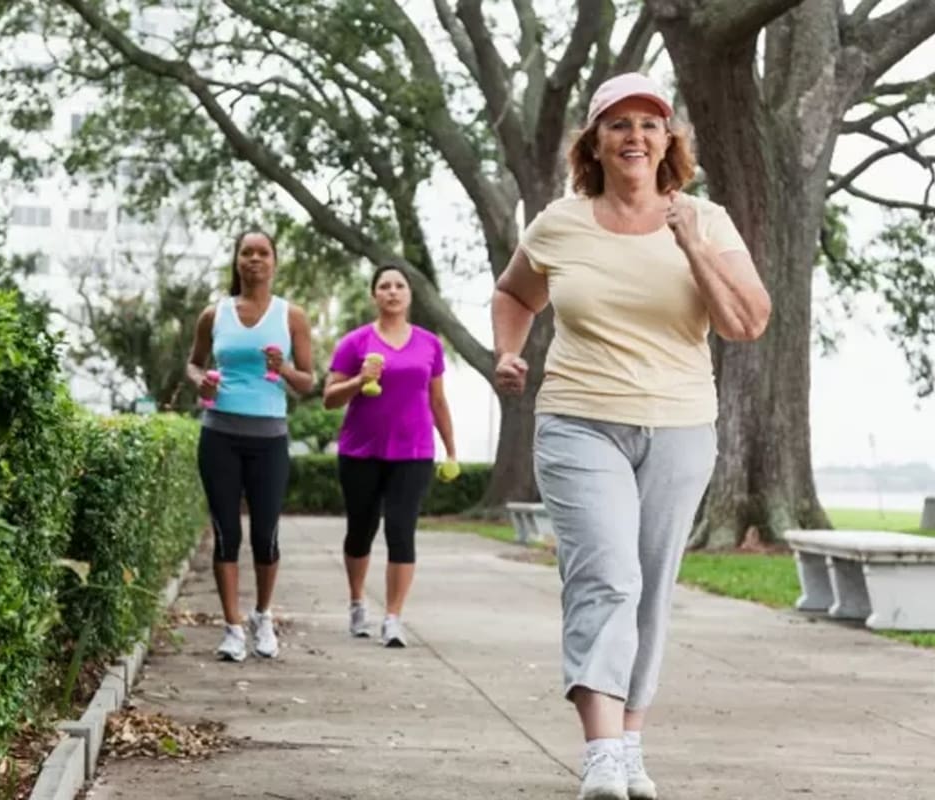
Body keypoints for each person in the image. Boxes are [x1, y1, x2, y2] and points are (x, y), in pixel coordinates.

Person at [490, 73, 771, 800]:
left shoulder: (705, 221)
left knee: (651, 591)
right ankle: (601, 752)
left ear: (668, 141)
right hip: (580, 420)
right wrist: (508, 351)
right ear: (596, 141)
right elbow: (515, 293)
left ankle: (630, 744)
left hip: (680, 427)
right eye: (619, 124)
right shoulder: (559, 222)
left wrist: (691, 246)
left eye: (650, 124)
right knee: (606, 576)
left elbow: (747, 323)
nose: (635, 137)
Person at [186, 229, 315, 662]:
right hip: (219, 435)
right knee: (226, 533)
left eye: (263, 253)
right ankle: (232, 628)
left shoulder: (291, 315)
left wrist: (285, 368)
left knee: (265, 535)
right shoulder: (214, 313)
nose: (255, 259)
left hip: (269, 439)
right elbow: (193, 363)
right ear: (237, 261)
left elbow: (308, 383)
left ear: (275, 262)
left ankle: (263, 616)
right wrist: (199, 380)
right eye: (247, 252)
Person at [323, 263, 457, 648]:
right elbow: (330, 398)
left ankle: (394, 618)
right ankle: (356, 603)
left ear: (410, 294)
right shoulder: (355, 342)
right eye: (384, 286)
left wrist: (450, 448)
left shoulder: (429, 344)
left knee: (401, 532)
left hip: (413, 452)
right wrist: (358, 380)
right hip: (360, 452)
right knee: (361, 531)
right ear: (374, 295)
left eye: (400, 285)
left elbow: (437, 400)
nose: (393, 292)